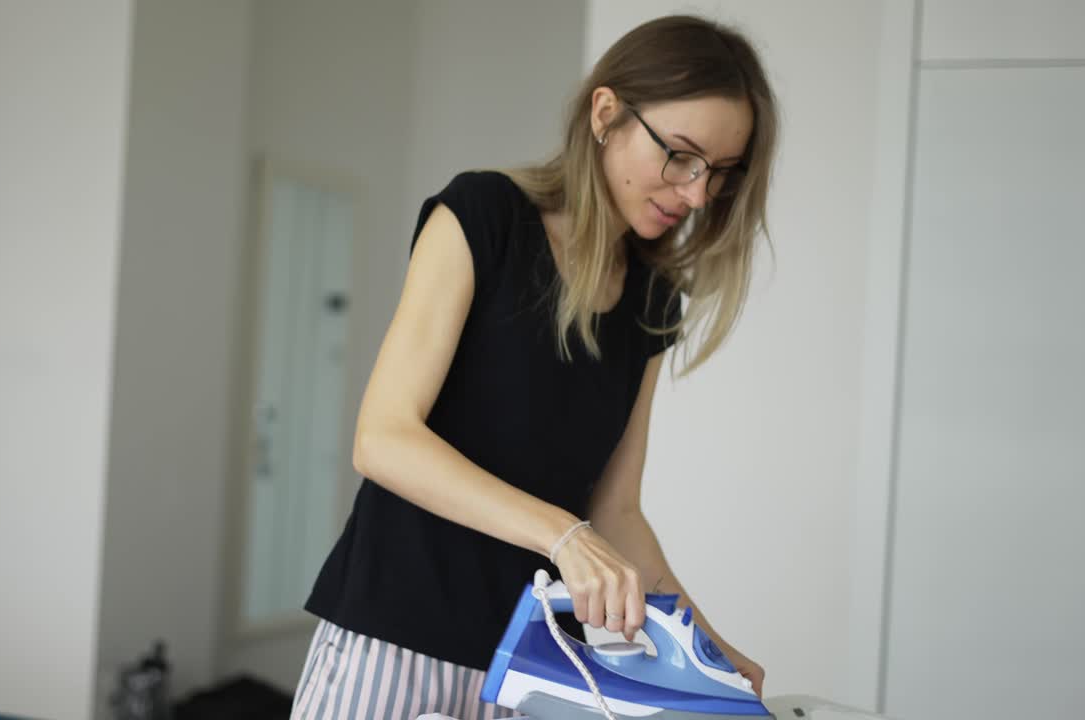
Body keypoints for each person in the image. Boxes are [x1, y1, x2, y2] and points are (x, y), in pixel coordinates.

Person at [290, 13, 780, 720]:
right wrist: (562, 533)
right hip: (390, 635)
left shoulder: (652, 301)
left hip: (531, 670)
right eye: (681, 155)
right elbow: (384, 438)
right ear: (606, 113)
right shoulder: (483, 216)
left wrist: (713, 655)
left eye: (722, 173)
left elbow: (616, 511)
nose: (698, 193)